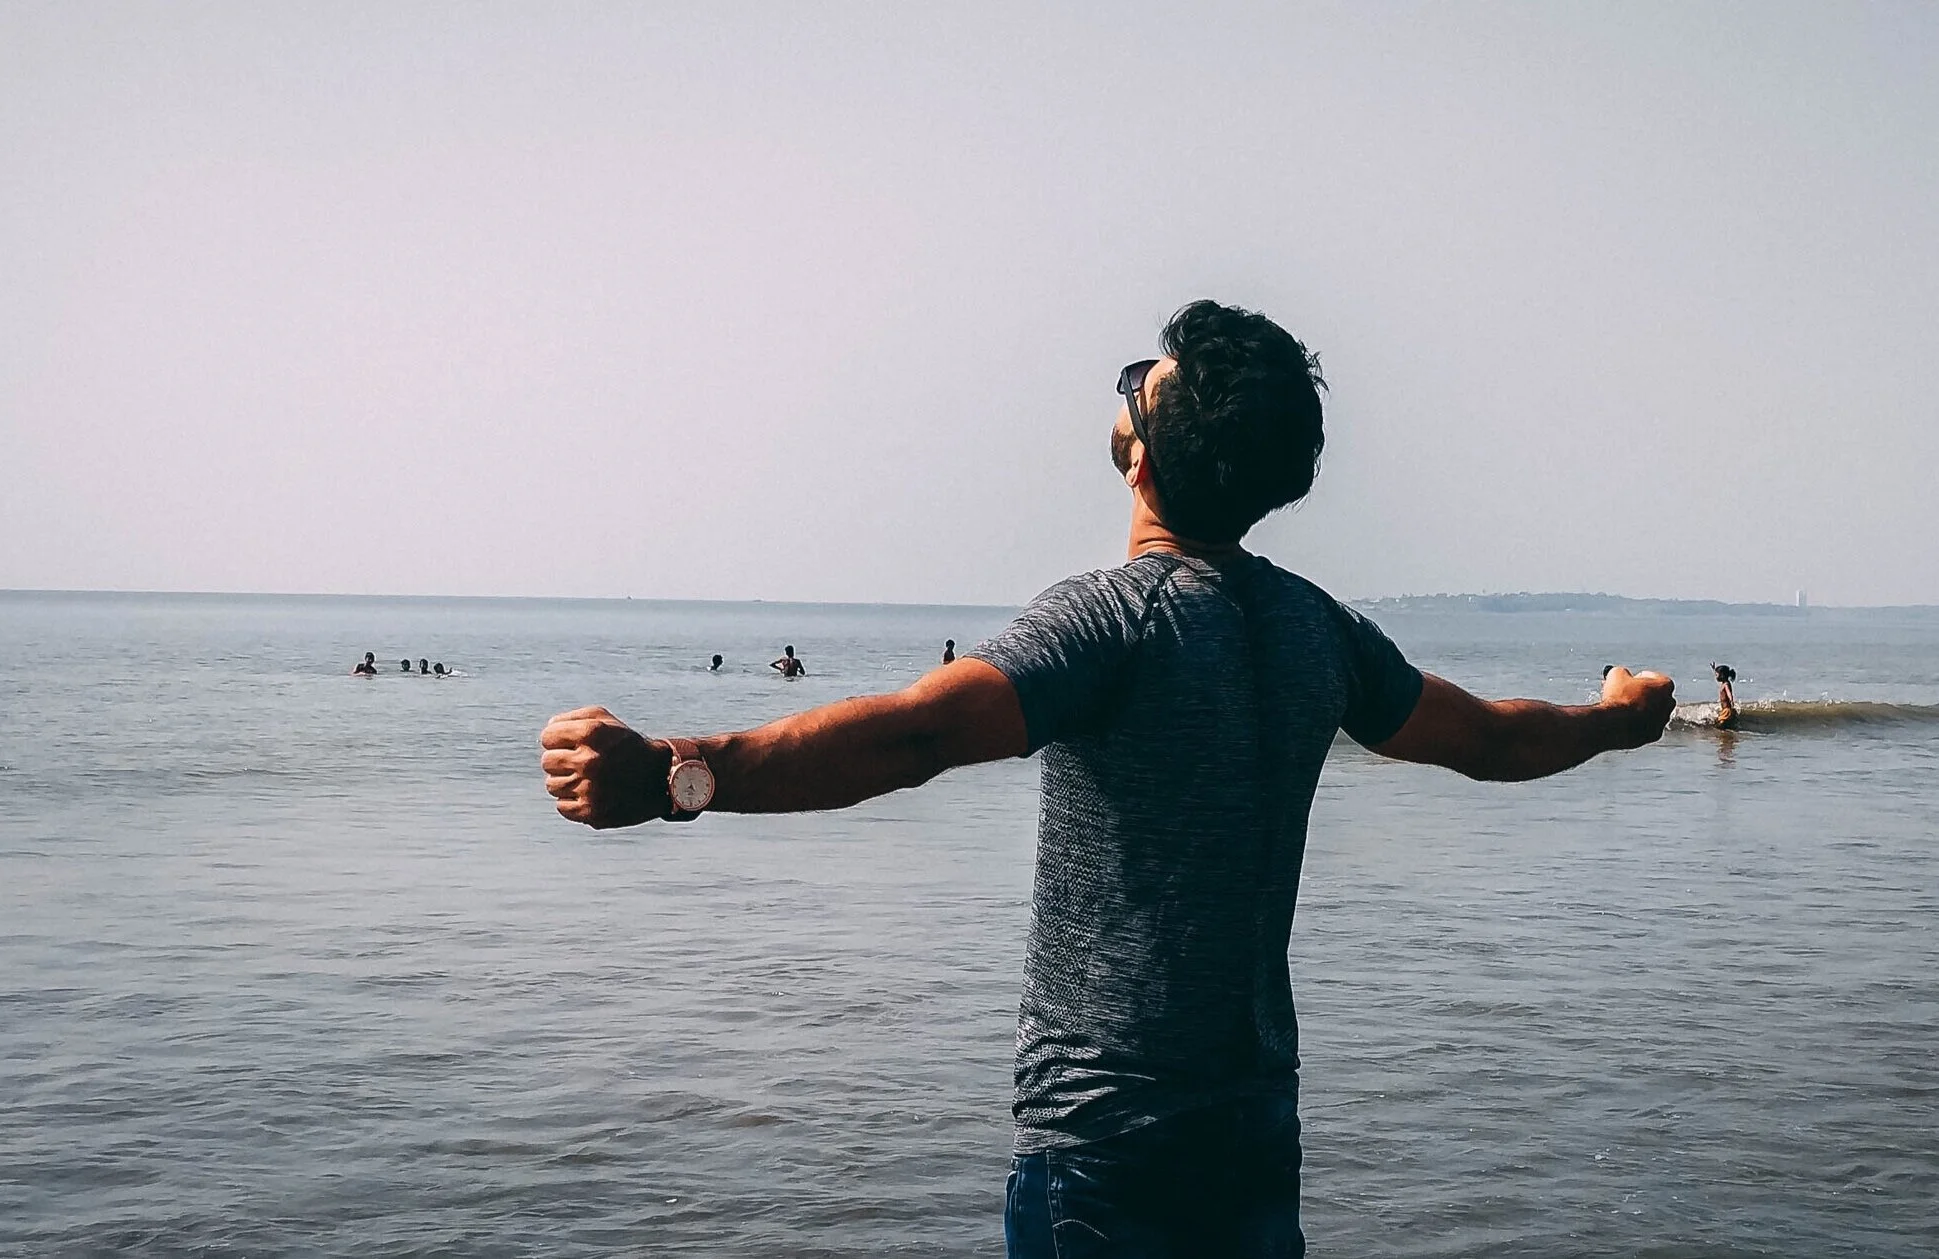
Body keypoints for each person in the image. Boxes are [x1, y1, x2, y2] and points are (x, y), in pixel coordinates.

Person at [540, 299, 1676, 1257]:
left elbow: (917, 735)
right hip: (1251, 1128)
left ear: (1135, 452)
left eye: (1140, 388)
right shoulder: (1315, 631)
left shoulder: (1112, 618)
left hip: (1103, 1146)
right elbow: (1489, 738)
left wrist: (674, 773)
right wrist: (1616, 719)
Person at [1712, 662, 1739, 728]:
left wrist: (1731, 699)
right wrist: (1714, 669)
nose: (1715, 677)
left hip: (1727, 710)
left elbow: (1729, 693)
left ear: (1722, 675)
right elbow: (1719, 672)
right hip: (1724, 710)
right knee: (1717, 723)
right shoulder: (1724, 683)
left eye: (1716, 675)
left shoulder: (1726, 684)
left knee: (1719, 725)